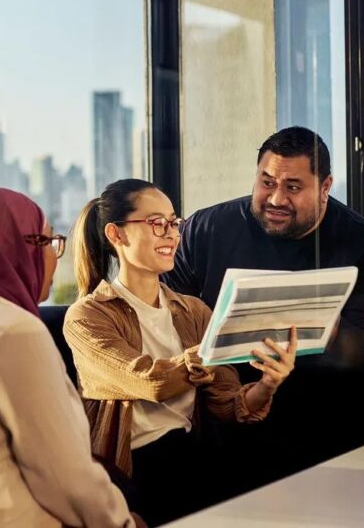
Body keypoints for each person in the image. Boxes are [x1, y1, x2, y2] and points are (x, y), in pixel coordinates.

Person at [163, 126, 364, 481]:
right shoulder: (206, 229)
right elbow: (163, 319)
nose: (276, 199)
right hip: (228, 441)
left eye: (293, 187)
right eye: (266, 182)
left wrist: (325, 325)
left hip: (334, 444)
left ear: (325, 187)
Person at [64, 179, 296, 526]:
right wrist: (205, 355)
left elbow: (228, 405)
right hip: (135, 467)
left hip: (193, 454)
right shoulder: (87, 316)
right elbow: (147, 381)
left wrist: (267, 384)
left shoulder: (194, 311)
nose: (171, 234)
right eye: (157, 224)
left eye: (175, 223)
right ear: (117, 235)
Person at [0, 187, 139, 528]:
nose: (53, 257)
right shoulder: (13, 332)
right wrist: (124, 522)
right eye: (47, 243)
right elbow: (66, 476)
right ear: (13, 249)